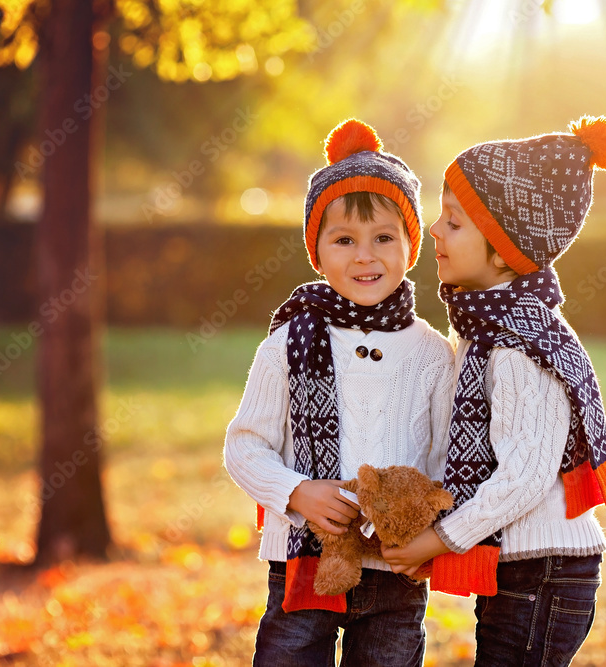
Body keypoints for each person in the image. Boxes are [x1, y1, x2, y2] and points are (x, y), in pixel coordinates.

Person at [382, 115, 606, 666]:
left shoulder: (517, 343)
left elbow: (525, 475)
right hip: (521, 566)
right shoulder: (483, 330)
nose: (435, 231)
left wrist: (441, 539)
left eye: (455, 222)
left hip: (545, 571)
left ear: (502, 249)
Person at [224, 118, 453, 667]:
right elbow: (244, 445)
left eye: (383, 239)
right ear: (317, 253)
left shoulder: (431, 352)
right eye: (344, 240)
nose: (364, 257)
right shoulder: (288, 343)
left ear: (411, 246)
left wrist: (428, 530)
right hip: (303, 566)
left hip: (395, 573)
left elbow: (449, 455)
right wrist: (297, 491)